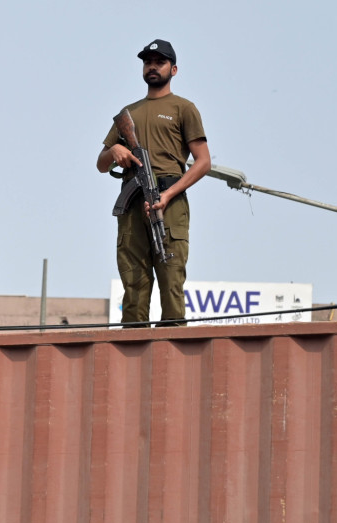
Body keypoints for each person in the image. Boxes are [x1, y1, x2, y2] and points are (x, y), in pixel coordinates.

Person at [96, 39, 210, 326]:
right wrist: (114, 151)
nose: (152, 67)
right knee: (133, 281)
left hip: (168, 202)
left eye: (159, 62)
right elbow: (100, 163)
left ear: (173, 69)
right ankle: (133, 343)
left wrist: (169, 194)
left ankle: (172, 343)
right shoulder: (129, 112)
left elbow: (203, 161)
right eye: (148, 62)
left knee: (171, 277)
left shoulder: (184, 108)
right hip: (133, 202)